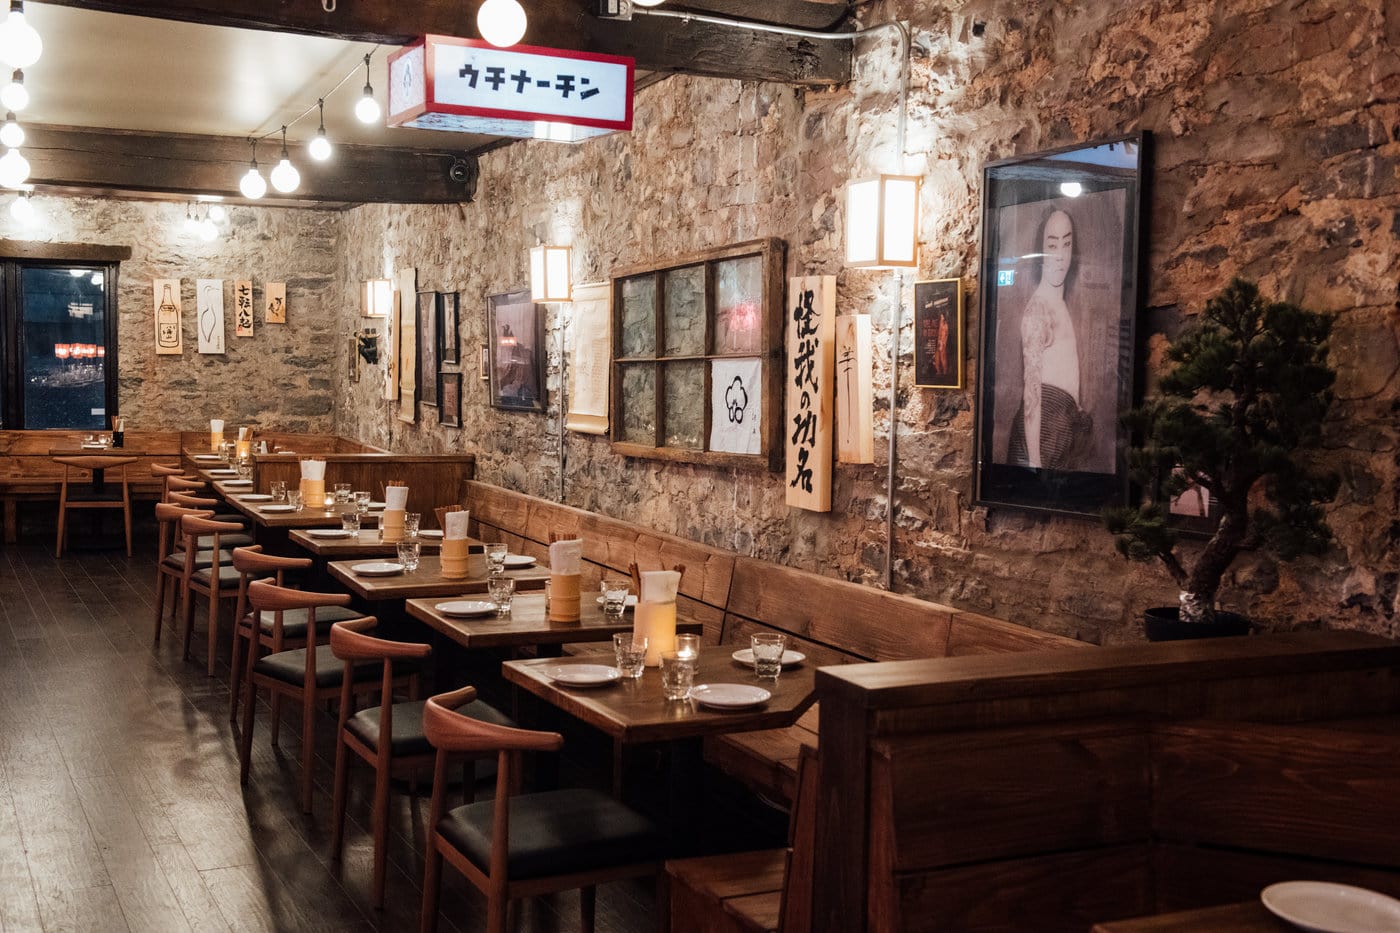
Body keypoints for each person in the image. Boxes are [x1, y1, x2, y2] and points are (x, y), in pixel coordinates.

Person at [1007, 208, 1093, 470]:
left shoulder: (1058, 303)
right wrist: (1034, 462)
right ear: (1040, 252)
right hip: (1042, 438)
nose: (1059, 256)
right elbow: (1032, 394)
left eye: (1066, 244)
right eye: (1051, 245)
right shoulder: (1039, 308)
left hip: (1061, 432)